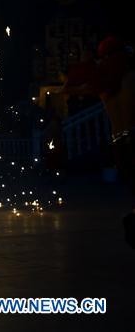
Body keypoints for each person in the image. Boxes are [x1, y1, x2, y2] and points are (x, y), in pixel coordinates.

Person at [63, 36, 135, 248]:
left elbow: (68, 87)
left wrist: (90, 67)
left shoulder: (105, 85)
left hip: (119, 145)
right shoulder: (130, 77)